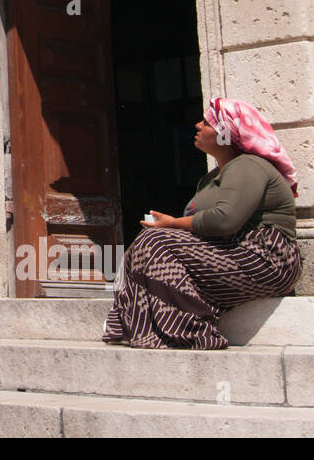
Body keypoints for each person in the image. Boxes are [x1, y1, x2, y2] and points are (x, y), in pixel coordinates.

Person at [102, 97, 301, 350]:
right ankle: (142, 328)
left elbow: (225, 219)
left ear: (226, 134)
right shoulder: (210, 178)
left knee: (157, 242)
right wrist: (173, 226)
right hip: (229, 251)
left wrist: (174, 223)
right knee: (145, 242)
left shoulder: (249, 166)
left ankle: (190, 330)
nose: (197, 125)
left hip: (265, 257)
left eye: (207, 122)